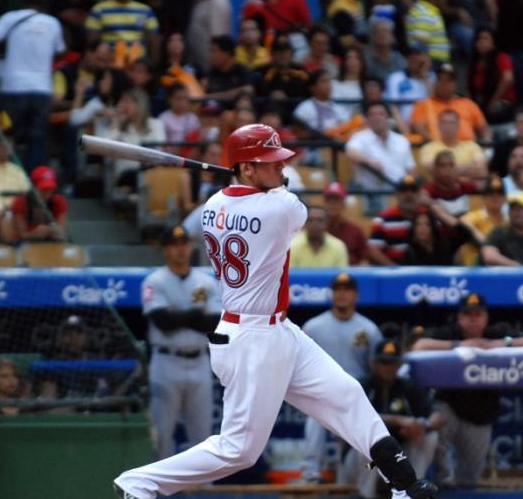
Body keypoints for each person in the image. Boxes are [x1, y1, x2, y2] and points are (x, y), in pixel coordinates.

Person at [113, 125, 437, 499]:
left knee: (346, 392)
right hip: (252, 339)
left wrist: (251, 177)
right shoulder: (279, 207)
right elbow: (290, 206)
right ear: (247, 168)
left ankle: (404, 485)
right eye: (270, 163)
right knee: (239, 451)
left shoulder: (213, 206)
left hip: (275, 329)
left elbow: (250, 198)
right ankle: (138, 484)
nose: (281, 169)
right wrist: (263, 183)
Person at [412, 292, 523, 487]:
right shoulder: (450, 333)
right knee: (436, 426)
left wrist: (497, 344)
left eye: (477, 314)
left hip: (481, 412)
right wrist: (460, 345)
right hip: (449, 404)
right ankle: (443, 481)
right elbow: (419, 346)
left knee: (469, 477)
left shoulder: (497, 332)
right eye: (467, 314)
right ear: (459, 317)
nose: (472, 319)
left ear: (486, 317)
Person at [141, 225, 222, 459]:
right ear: (165, 249)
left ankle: (204, 491)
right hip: (166, 361)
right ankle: (159, 492)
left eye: (184, 244)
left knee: (203, 434)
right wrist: (195, 314)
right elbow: (162, 321)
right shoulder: (153, 281)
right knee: (162, 431)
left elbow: (214, 323)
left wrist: (179, 314)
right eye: (174, 245)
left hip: (199, 361)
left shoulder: (205, 281)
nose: (181, 249)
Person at [299, 272, 383, 483]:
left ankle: (356, 474)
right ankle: (311, 472)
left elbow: (377, 368)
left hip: (354, 393)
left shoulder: (369, 329)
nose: (342, 294)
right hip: (321, 391)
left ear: (356, 295)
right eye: (338, 290)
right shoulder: (313, 326)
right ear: (332, 294)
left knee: (361, 429)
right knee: (314, 419)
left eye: (347, 290)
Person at [339, 338, 444, 497]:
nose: (388, 368)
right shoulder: (361, 386)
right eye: (383, 363)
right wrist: (399, 420)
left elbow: (439, 416)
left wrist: (423, 426)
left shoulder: (407, 386)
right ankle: (366, 496)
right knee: (369, 448)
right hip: (365, 464)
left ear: (400, 365)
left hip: (396, 459)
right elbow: (353, 417)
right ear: (374, 363)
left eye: (392, 363)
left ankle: (412, 490)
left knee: (430, 436)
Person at [0, 0, 64, 171]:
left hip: (13, 87)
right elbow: (59, 51)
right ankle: (33, 182)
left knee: (6, 135)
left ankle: (6, 175)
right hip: (41, 89)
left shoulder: (10, 17)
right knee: (37, 138)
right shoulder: (53, 23)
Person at [345, 102, 416, 203]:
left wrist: (408, 189)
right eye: (372, 114)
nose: (377, 117)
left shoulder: (402, 140)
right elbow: (350, 153)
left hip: (399, 193)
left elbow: (411, 169)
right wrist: (368, 162)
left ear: (388, 117)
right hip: (371, 194)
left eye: (381, 114)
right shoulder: (359, 137)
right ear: (367, 119)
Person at [410, 64, 490, 143]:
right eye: (440, 79)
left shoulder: (468, 104)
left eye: (448, 80)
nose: (443, 83)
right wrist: (437, 145)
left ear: (455, 84)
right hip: (437, 151)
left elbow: (484, 128)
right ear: (434, 82)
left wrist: (487, 148)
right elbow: (419, 128)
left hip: (467, 150)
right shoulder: (423, 104)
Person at [85, 0, 161, 62]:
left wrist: (154, 64)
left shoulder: (145, 10)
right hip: (110, 63)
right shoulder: (99, 10)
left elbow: (154, 39)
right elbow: (92, 42)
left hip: (138, 64)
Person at [418, 110, 487, 181]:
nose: (448, 126)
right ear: (438, 125)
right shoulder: (428, 148)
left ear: (458, 126)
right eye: (444, 123)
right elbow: (431, 169)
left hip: (467, 190)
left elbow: (482, 171)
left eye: (451, 123)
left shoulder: (472, 146)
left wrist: (445, 169)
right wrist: (468, 168)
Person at [7, 166, 68, 244]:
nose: (47, 194)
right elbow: (22, 235)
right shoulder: (21, 202)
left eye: (51, 189)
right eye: (44, 190)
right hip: (25, 246)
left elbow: (61, 232)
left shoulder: (59, 201)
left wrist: (51, 230)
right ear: (33, 188)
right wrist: (34, 234)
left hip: (51, 245)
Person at [467, 25, 515, 123]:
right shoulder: (474, 63)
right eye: (479, 39)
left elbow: (508, 79)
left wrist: (494, 101)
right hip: (481, 104)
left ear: (493, 42)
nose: (482, 42)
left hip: (501, 104)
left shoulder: (501, 58)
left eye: (486, 39)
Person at [458, 176, 506, 266]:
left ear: (504, 199)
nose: (495, 198)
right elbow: (462, 223)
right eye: (491, 195)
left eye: (499, 194)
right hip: (474, 270)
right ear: (484, 198)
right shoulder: (475, 216)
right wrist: (487, 243)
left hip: (499, 270)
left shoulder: (508, 222)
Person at [386, 43, 434, 123]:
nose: (413, 58)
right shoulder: (396, 78)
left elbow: (435, 104)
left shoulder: (433, 77)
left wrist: (425, 76)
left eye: (417, 54)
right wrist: (406, 133)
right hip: (403, 126)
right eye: (410, 54)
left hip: (428, 125)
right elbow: (394, 108)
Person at [322, 183, 369, 265]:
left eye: (337, 201)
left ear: (343, 204)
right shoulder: (315, 230)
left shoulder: (355, 231)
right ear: (324, 203)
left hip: (351, 275)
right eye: (329, 200)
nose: (332, 205)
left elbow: (364, 259)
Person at [293, 69, 349, 136]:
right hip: (313, 145)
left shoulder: (339, 108)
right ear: (313, 88)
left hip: (337, 144)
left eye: (329, 82)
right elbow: (296, 133)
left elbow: (347, 129)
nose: (328, 85)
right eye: (323, 81)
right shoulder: (304, 108)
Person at [185, 0, 232, 73]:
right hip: (194, 63)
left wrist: (214, 73)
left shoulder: (218, 3)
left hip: (209, 68)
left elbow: (218, 39)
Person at [422, 150, 477, 217]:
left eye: (451, 165)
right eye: (442, 166)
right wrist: (435, 204)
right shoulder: (431, 188)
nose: (447, 169)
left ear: (456, 168)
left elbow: (482, 184)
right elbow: (421, 197)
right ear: (436, 169)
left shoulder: (463, 185)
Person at [205, 36, 254, 102]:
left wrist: (207, 97)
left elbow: (248, 90)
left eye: (214, 51)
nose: (211, 55)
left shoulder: (242, 72)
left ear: (226, 53)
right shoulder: (212, 72)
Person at [405, 0, 450, 64]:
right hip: (431, 64)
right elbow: (419, 47)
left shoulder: (428, 11)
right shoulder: (424, 13)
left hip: (434, 63)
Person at [363, 18, 406, 84]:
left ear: (393, 37)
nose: (381, 34)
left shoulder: (399, 60)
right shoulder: (364, 59)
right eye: (377, 31)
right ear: (372, 37)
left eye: (385, 31)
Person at [158, 84, 200, 151]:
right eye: (178, 99)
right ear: (170, 99)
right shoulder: (163, 118)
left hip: (189, 154)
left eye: (185, 99)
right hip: (170, 155)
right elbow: (161, 144)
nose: (182, 103)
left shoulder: (193, 118)